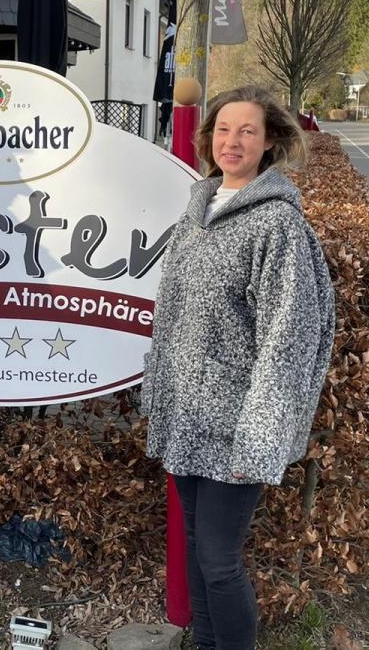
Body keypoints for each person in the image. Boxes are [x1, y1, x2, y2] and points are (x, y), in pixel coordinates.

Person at [142, 85, 335, 650]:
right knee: (199, 547)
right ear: (208, 139)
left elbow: (289, 338)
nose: (232, 141)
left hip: (236, 427)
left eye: (247, 130)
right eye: (223, 129)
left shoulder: (277, 225)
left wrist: (260, 435)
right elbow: (172, 312)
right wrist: (161, 393)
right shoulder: (199, 206)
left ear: (270, 140)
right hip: (187, 417)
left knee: (220, 561)